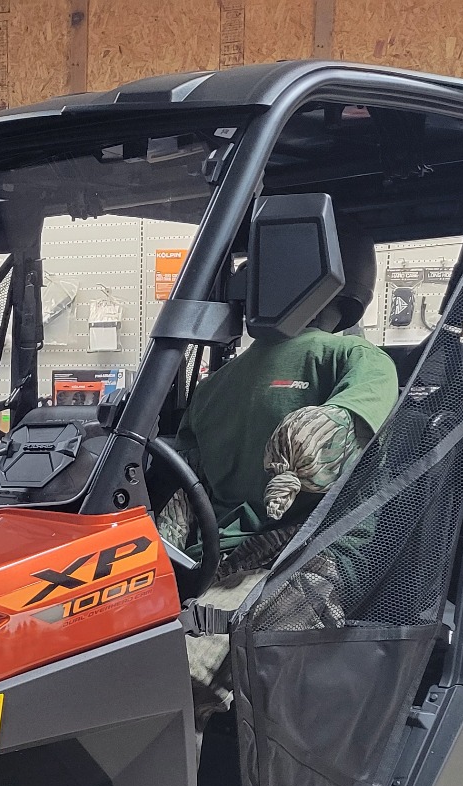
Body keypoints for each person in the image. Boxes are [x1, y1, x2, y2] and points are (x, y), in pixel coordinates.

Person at [166, 223, 398, 717]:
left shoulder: (211, 387)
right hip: (307, 563)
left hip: (270, 562)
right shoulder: (360, 359)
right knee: (180, 678)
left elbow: (187, 487)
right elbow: (339, 434)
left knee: (155, 666)